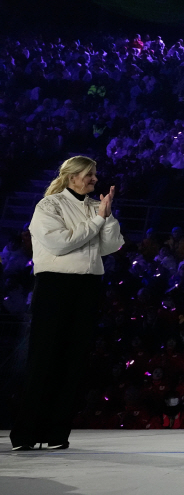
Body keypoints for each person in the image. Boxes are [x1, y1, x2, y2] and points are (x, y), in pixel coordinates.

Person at [10, 156, 124, 451]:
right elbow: (59, 243)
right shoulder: (49, 205)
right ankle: (26, 434)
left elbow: (112, 246)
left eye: (95, 175)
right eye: (90, 174)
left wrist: (107, 216)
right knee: (44, 357)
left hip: (87, 286)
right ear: (72, 176)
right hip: (55, 286)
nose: (95, 179)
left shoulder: (93, 206)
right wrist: (98, 220)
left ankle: (57, 433)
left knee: (74, 361)